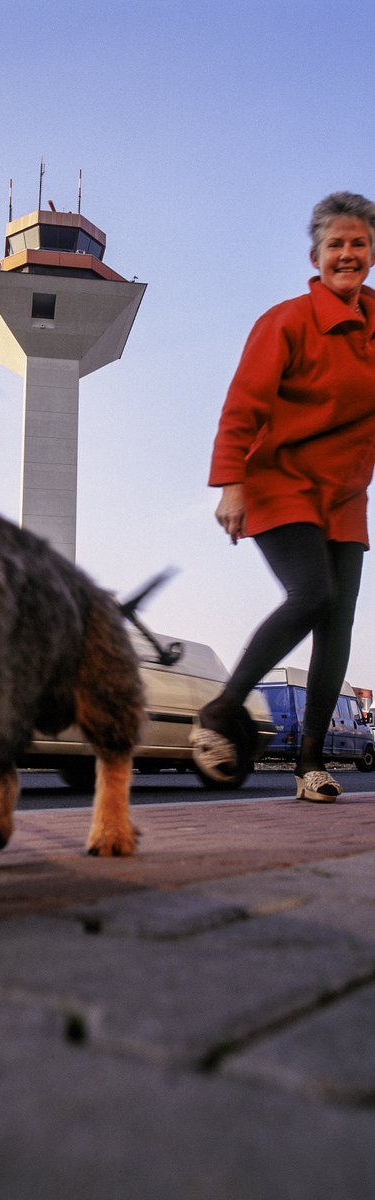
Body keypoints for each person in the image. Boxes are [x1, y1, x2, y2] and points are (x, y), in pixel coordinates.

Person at [190, 191, 375, 802]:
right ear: (317, 255)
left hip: (345, 492)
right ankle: (222, 708)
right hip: (278, 479)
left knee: (339, 624)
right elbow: (243, 404)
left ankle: (311, 764)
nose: (348, 254)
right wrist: (231, 483)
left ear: (372, 252)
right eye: (336, 245)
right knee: (313, 594)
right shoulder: (287, 320)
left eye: (359, 243)